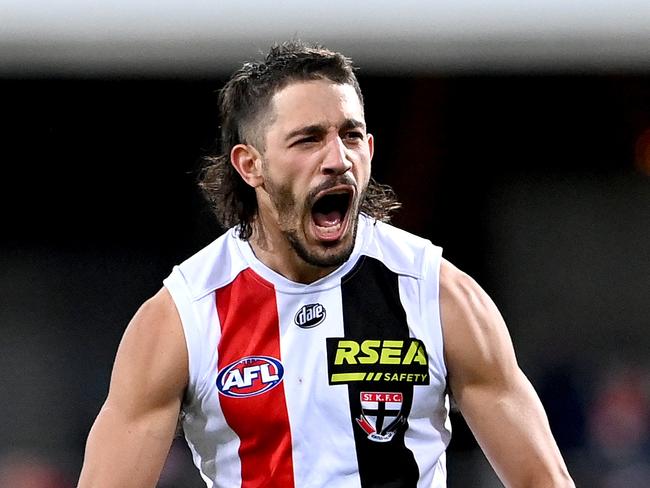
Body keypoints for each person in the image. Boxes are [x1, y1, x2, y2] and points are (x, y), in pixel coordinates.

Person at [77, 41, 575, 488]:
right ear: (250, 164)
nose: (337, 158)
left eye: (351, 136)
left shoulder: (437, 294)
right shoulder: (182, 317)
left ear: (370, 150)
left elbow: (542, 479)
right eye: (309, 139)